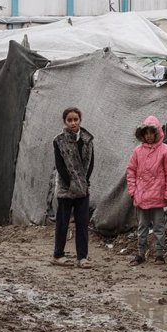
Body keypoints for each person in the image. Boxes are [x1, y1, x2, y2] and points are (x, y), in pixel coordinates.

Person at [126, 116, 167, 266]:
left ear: (157, 133)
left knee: (159, 227)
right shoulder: (137, 151)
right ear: (142, 134)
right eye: (146, 133)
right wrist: (133, 191)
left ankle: (159, 255)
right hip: (141, 197)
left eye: (151, 133)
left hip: (158, 196)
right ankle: (140, 254)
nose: (149, 136)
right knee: (142, 227)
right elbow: (131, 172)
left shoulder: (166, 151)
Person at [52, 107, 94, 268]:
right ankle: (58, 255)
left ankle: (82, 257)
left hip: (83, 188)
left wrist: (84, 181)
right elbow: (60, 165)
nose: (73, 123)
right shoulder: (59, 140)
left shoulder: (87, 139)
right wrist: (71, 183)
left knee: (82, 223)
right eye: (69, 120)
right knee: (62, 223)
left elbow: (90, 163)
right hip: (66, 189)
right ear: (65, 122)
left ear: (80, 120)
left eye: (75, 119)